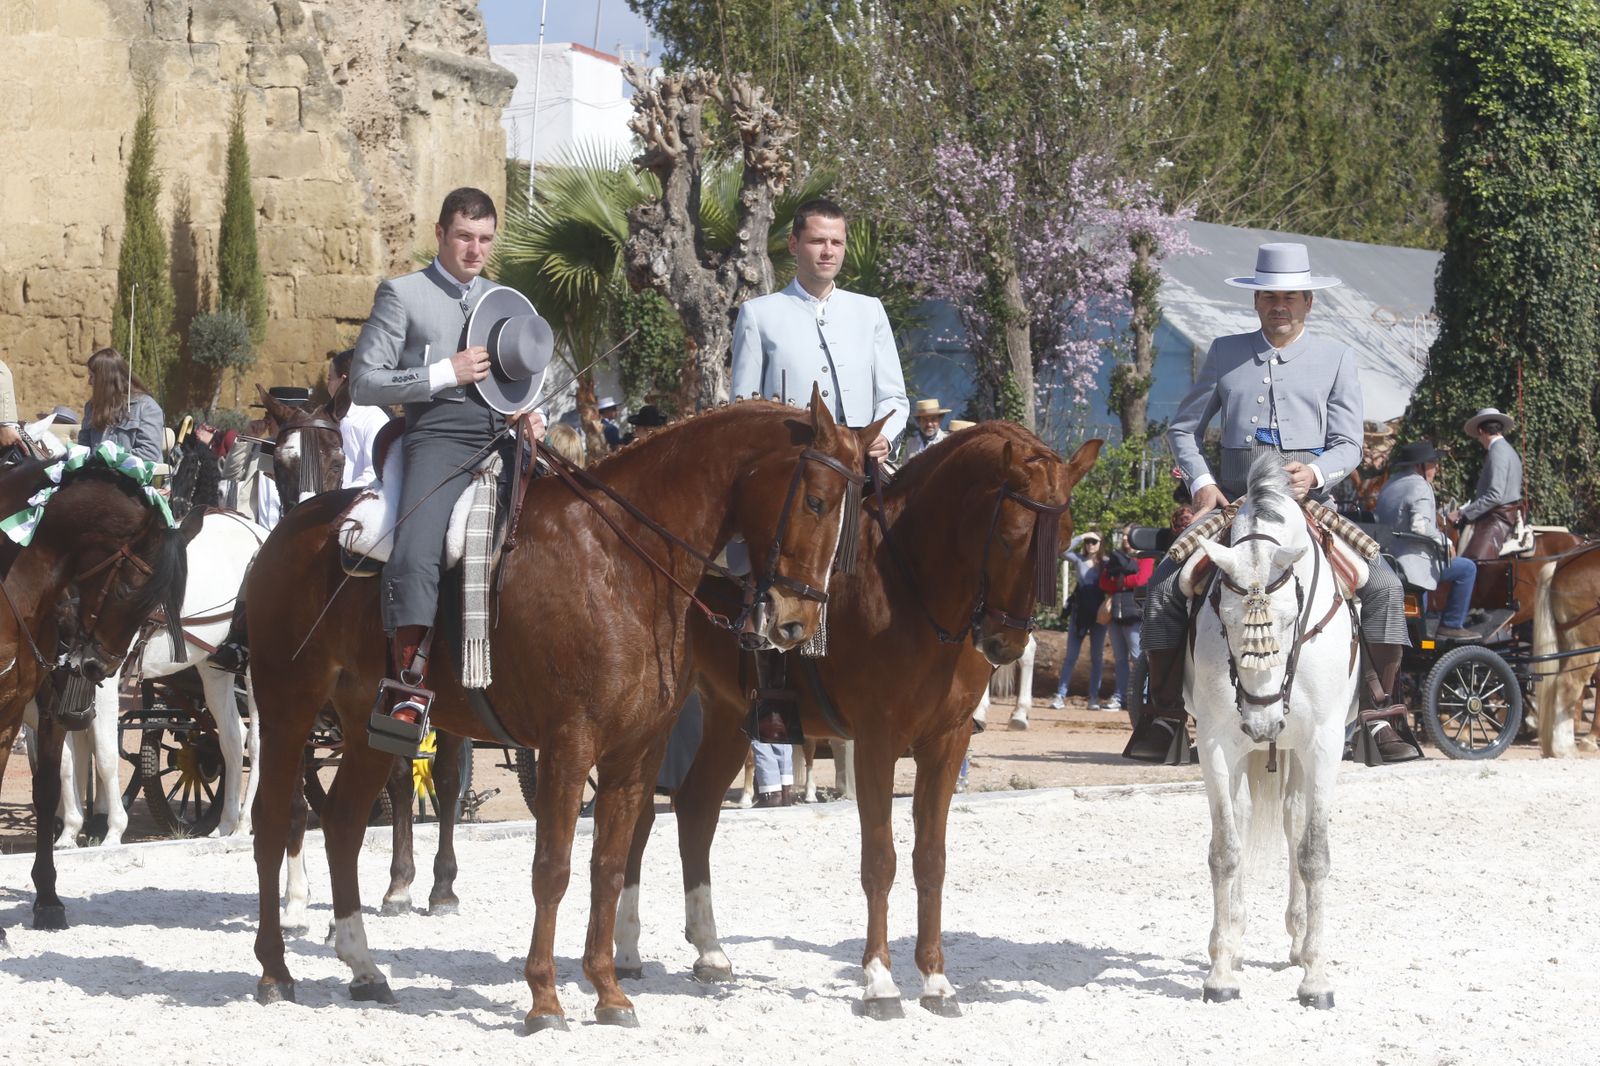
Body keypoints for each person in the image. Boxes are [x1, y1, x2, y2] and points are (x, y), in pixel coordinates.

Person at [1131, 242, 1418, 763]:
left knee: (1384, 584)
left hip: (1308, 505)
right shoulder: (1224, 351)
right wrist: (1200, 482)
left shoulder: (1337, 357)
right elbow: (1183, 428)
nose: (1278, 305)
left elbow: (1350, 443)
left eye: (1289, 297)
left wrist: (1315, 471)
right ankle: (1165, 715)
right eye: (1269, 296)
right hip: (1236, 504)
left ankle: (1380, 715)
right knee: (1165, 584)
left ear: (1308, 301)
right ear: (1256, 301)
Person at [349, 187, 549, 741]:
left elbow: (524, 385)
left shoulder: (506, 300)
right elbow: (365, 382)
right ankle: (408, 685)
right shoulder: (403, 294)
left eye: (485, 239)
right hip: (437, 434)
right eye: (464, 236)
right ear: (440, 234)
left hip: (507, 436)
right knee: (416, 547)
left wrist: (535, 417)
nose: (474, 249)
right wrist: (444, 372)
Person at [729, 197, 909, 744]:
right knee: (765, 569)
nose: (827, 251)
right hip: (796, 476)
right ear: (794, 245)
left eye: (835, 242)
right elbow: (743, 407)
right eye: (816, 240)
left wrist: (883, 436)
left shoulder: (869, 309)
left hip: (866, 463)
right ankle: (776, 690)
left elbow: (896, 397)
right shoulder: (760, 314)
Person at [1377, 441, 1477, 639]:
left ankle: (1417, 633)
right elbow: (1419, 526)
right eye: (1432, 462)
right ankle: (1451, 624)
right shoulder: (1420, 486)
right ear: (1419, 465)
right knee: (1467, 569)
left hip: (1387, 561)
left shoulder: (1390, 484)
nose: (1436, 467)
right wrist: (1445, 542)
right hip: (1411, 564)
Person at [1448, 408, 1524, 561]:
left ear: (1481, 430)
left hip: (1498, 516)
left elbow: (1495, 495)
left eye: (1478, 435)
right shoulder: (1505, 449)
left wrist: (1462, 513)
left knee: (1473, 562)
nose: (1478, 439)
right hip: (1500, 512)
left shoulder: (1498, 451)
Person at [1049, 532, 1108, 710]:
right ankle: (1060, 695)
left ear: (1100, 544)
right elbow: (1061, 551)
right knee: (1071, 656)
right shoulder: (1079, 559)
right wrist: (1082, 536)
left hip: (1098, 613)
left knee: (1097, 657)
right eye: (1088, 542)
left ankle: (1094, 698)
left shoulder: (1105, 562)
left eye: (1094, 541)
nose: (1090, 545)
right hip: (1079, 611)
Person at [1099, 525, 1154, 713]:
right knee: (1120, 659)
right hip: (1116, 613)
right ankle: (1120, 695)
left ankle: (1144, 696)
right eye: (1123, 535)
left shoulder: (1145, 556)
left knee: (1138, 658)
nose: (1124, 538)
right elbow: (1104, 582)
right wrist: (1124, 581)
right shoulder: (1116, 557)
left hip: (1135, 614)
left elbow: (1143, 580)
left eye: (1128, 535)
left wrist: (1122, 581)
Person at [79, 347, 164, 462]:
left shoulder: (146, 407)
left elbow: (149, 452)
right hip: (95, 475)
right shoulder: (92, 407)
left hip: (129, 477)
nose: (89, 382)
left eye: (92, 377)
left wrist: (110, 460)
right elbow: (83, 448)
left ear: (104, 380)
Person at [327, 348, 393, 487]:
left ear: (342, 381)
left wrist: (337, 498)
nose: (328, 385)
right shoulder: (328, 416)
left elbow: (374, 473)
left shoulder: (373, 418)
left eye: (330, 379)